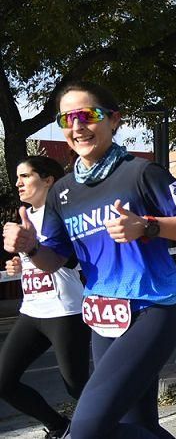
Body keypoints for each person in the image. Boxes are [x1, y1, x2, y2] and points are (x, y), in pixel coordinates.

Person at [3, 81, 176, 438]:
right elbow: (55, 261)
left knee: (87, 430)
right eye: (68, 119)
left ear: (113, 120)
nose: (78, 126)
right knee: (137, 425)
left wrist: (148, 226)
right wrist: (31, 247)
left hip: (151, 309)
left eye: (88, 115)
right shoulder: (62, 192)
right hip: (102, 317)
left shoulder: (141, 173)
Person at [0, 156, 89, 439]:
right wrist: (17, 265)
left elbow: (62, 260)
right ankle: (59, 427)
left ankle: (119, 426)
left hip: (65, 313)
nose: (18, 183)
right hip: (32, 312)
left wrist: (30, 249)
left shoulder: (66, 215)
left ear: (48, 180)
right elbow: (32, 259)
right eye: (17, 177)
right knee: (3, 381)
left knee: (77, 387)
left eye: (25, 176)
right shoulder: (27, 217)